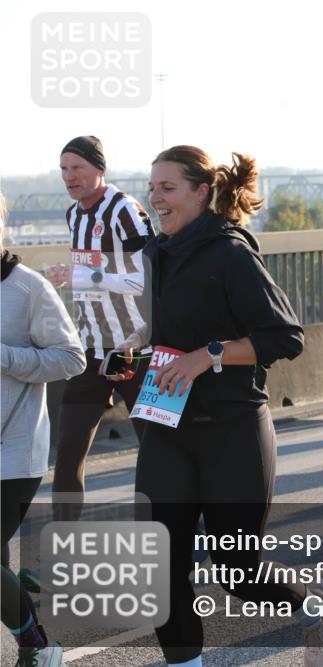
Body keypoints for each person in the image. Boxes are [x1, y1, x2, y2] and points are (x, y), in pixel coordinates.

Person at [136, 145, 323, 667]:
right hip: (167, 429)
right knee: (160, 565)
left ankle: (314, 602)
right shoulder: (150, 256)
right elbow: (143, 328)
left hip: (233, 431)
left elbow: (285, 337)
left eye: (167, 188)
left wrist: (207, 357)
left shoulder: (230, 253)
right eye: (151, 187)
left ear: (201, 192)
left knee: (237, 569)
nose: (155, 198)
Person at [46, 136, 156, 516]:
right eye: (64, 169)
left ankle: (183, 536)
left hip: (133, 348)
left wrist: (82, 277)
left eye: (77, 168)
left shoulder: (125, 209)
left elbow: (144, 278)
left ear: (99, 169)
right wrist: (71, 277)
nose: (69, 176)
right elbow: (91, 272)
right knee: (68, 449)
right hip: (91, 349)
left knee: (158, 450)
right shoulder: (74, 214)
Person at [1, 195, 87, 667]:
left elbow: (71, 358)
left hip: (11, 451)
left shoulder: (26, 288)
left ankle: (36, 644)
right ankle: (35, 647)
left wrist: (6, 356)